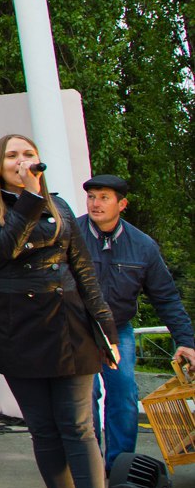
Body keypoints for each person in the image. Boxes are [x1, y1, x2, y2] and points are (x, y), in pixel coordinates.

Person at [0, 135, 119, 488]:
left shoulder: (61, 207)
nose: (22, 161)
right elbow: (5, 248)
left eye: (28, 154)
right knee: (44, 430)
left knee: (78, 427)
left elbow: (83, 269)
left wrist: (105, 328)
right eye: (12, 155)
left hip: (69, 324)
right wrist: (31, 198)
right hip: (19, 327)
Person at [77, 173, 195, 470]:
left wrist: (186, 341)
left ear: (122, 204)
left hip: (118, 330)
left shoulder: (143, 246)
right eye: (91, 197)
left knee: (125, 392)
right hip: (76, 329)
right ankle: (87, 463)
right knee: (84, 394)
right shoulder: (69, 236)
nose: (95, 203)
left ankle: (120, 466)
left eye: (104, 198)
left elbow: (166, 298)